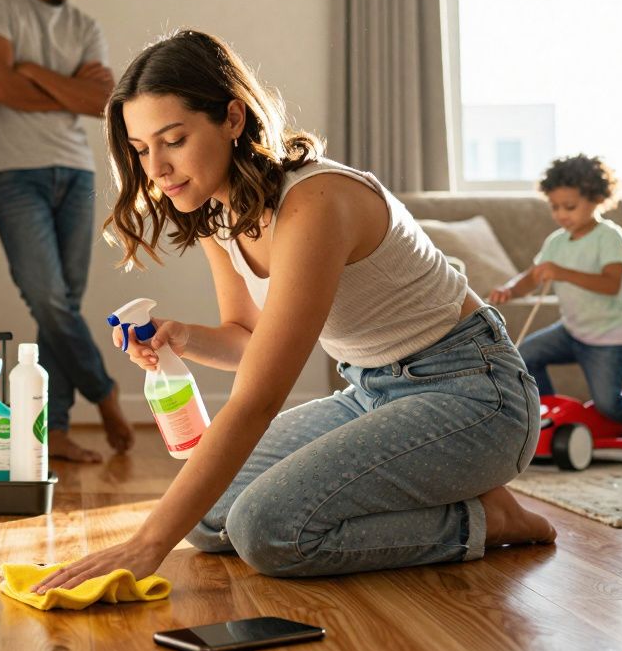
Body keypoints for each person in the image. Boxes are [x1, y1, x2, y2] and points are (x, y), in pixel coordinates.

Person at [32, 29, 555, 591]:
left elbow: (259, 395)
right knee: (211, 520)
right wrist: (180, 336)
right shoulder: (215, 212)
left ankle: (488, 518)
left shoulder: (315, 203)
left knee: (267, 531)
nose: (156, 168)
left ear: (233, 119)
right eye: (140, 150)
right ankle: (439, 482)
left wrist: (146, 543)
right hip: (371, 392)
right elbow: (247, 338)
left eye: (173, 139)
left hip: (474, 394)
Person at [0, 0, 134, 462]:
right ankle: (104, 391)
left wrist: (36, 72)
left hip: (77, 172)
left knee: (61, 306)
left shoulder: (85, 27)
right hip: (12, 173)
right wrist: (66, 87)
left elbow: (102, 102)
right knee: (47, 296)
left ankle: (55, 428)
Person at [489, 154, 622, 438]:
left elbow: (611, 284)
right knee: (524, 357)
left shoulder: (609, 237)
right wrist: (509, 289)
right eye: (554, 207)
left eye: (569, 206)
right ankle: (550, 418)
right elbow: (534, 276)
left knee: (608, 403)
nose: (561, 214)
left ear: (596, 198)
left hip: (609, 336)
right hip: (572, 331)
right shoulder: (556, 242)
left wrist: (562, 272)